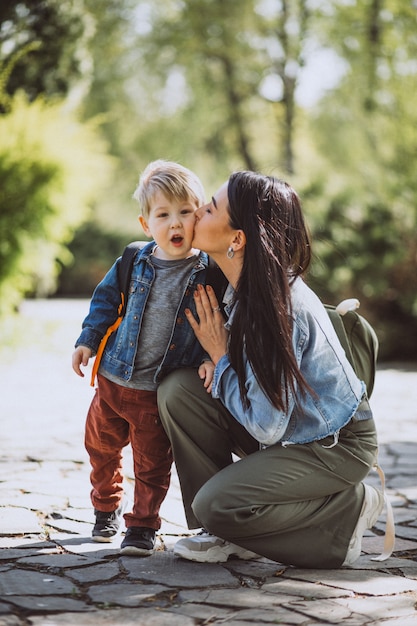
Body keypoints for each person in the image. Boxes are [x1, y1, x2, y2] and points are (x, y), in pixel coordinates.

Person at [157, 170, 393, 568]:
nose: (198, 211)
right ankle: (220, 533)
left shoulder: (276, 307)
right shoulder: (240, 287)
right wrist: (214, 362)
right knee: (179, 391)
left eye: (211, 208)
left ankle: (345, 513)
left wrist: (221, 357)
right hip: (288, 432)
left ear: (237, 239)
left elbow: (266, 425)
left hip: (333, 445)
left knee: (216, 504)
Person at [72, 160, 216, 556]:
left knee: (152, 464)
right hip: (113, 382)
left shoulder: (208, 274)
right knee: (100, 448)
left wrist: (209, 357)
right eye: (163, 214)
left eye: (186, 212)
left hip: (155, 393)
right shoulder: (135, 260)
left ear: (200, 215)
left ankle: (142, 526)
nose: (175, 224)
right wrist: (87, 340)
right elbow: (104, 301)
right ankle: (105, 508)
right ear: (145, 223)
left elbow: (216, 321)